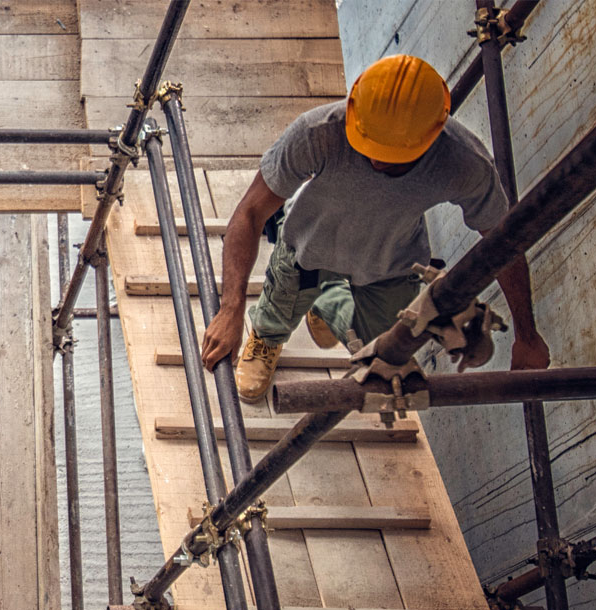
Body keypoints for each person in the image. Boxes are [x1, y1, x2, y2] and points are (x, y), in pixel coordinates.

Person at [200, 54, 550, 401]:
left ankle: (326, 303)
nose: (377, 160)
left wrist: (528, 334)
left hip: (389, 264)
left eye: (393, 154)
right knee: (280, 306)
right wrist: (230, 310)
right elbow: (249, 213)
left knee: (384, 347)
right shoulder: (317, 133)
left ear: (432, 135)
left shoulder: (462, 163)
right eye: (369, 145)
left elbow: (503, 244)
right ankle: (267, 337)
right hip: (309, 247)